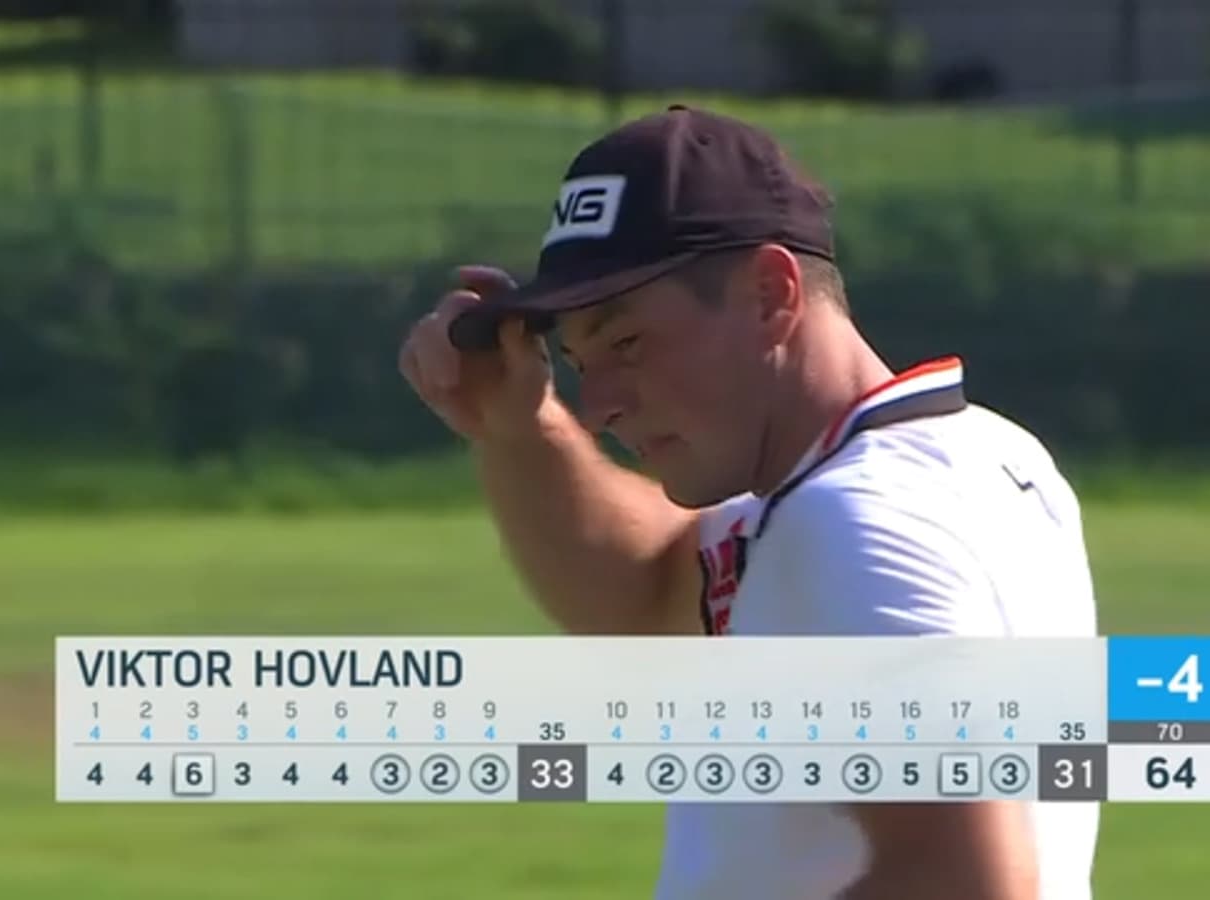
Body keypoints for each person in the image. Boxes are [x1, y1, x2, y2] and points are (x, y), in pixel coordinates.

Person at [399, 105, 1100, 900]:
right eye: (580, 359)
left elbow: (965, 881)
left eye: (627, 342)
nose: (598, 406)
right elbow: (650, 589)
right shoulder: (985, 456)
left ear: (772, 293)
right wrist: (519, 431)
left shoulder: (855, 520)